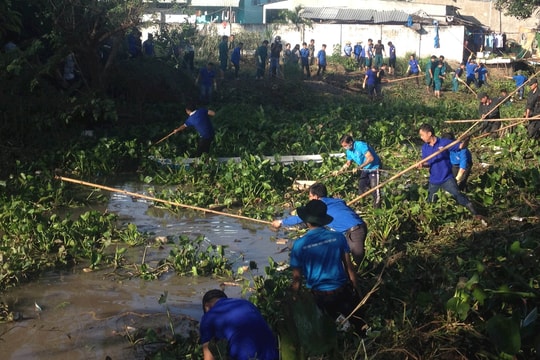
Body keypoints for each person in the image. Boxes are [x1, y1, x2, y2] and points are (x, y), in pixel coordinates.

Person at [289, 199, 365, 331]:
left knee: (336, 331)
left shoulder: (299, 245)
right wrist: (357, 291)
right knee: (361, 328)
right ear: (323, 219)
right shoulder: (338, 237)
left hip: (321, 298)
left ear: (307, 221)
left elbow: (297, 279)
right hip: (342, 292)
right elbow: (349, 268)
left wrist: (294, 297)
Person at [272, 182, 368, 264]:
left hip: (354, 231)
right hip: (359, 226)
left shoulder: (320, 206)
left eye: (310, 196)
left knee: (359, 261)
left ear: (316, 197)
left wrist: (281, 222)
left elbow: (300, 218)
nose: (309, 199)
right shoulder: (337, 201)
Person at [418, 124, 481, 218]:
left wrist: (466, 139)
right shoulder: (425, 148)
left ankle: (476, 214)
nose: (421, 137)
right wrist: (422, 165)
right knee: (430, 201)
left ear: (429, 134)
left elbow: (461, 146)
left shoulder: (444, 143)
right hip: (434, 180)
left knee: (458, 195)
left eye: (422, 135)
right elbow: (428, 163)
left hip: (447, 177)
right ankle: (429, 219)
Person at [200, 289, 279, 360]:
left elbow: (208, 357)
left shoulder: (208, 316)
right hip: (273, 354)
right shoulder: (247, 303)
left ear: (207, 306)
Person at [334, 134, 382, 208]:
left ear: (350, 142)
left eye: (345, 145)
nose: (345, 148)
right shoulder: (349, 151)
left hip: (374, 167)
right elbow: (348, 163)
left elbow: (370, 158)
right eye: (343, 146)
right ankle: (363, 205)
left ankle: (377, 208)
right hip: (365, 169)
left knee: (375, 188)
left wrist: (359, 167)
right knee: (361, 186)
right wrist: (340, 170)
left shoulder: (360, 145)